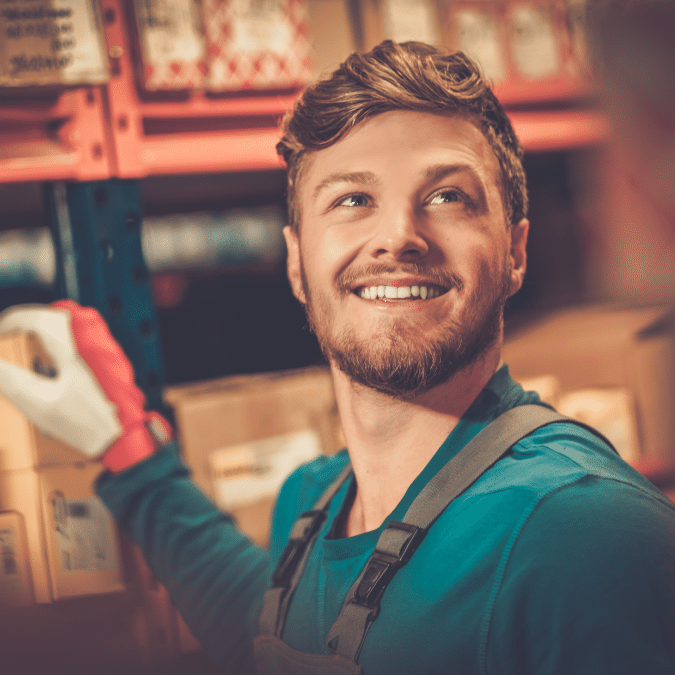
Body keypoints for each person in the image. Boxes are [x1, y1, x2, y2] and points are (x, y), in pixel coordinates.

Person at [0, 40, 674, 675]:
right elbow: (266, 634)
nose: (399, 236)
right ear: (297, 261)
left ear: (515, 251)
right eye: (353, 199)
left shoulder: (578, 533)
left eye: (447, 196)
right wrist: (130, 456)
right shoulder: (312, 502)